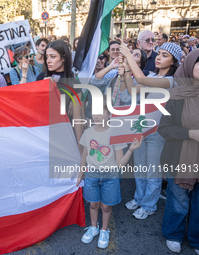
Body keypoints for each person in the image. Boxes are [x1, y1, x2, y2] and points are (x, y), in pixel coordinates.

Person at [120, 42, 182, 219]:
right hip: (141, 128)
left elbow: (140, 80)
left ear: (173, 61)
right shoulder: (153, 74)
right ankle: (139, 198)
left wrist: (129, 56)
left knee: (152, 171)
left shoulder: (171, 81)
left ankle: (149, 205)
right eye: (159, 54)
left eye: (165, 55)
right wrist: (125, 71)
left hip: (157, 133)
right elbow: (132, 90)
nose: (159, 57)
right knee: (139, 168)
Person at [76, 98, 143, 249]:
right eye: (94, 112)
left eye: (101, 112)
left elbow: (120, 163)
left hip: (110, 176)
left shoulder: (115, 133)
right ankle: (94, 227)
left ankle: (104, 230)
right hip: (92, 174)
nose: (96, 115)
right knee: (93, 204)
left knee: (106, 207)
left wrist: (131, 149)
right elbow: (84, 156)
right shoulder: (88, 132)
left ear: (109, 114)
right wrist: (80, 174)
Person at [158, 50, 199, 255]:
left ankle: (195, 238)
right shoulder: (176, 95)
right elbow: (164, 129)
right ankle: (173, 234)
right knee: (179, 200)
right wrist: (190, 133)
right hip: (179, 157)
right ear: (190, 65)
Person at [36, 40, 83, 151]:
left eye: (53, 57)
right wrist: (42, 87)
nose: (48, 61)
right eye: (46, 57)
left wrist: (80, 147)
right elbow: (35, 108)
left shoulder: (73, 83)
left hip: (63, 134)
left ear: (63, 58)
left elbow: (77, 118)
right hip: (42, 133)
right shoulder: (41, 78)